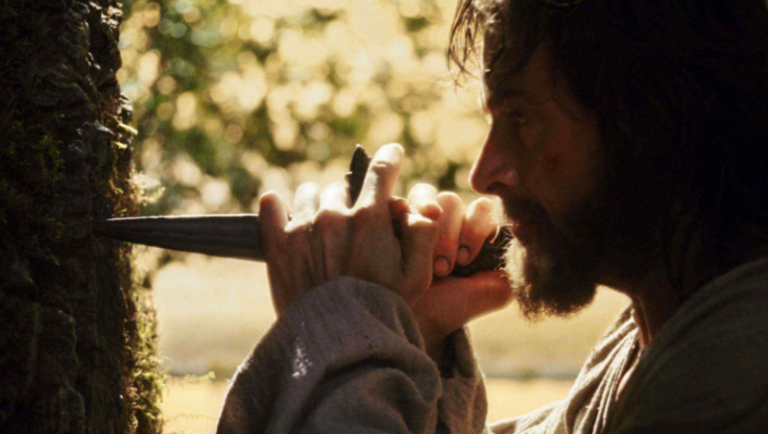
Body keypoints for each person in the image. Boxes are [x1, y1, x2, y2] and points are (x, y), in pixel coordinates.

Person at [217, 0, 768, 432]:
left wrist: (348, 332)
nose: (485, 174)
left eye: (521, 118)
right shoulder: (658, 333)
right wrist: (413, 338)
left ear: (653, 126)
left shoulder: (737, 372)